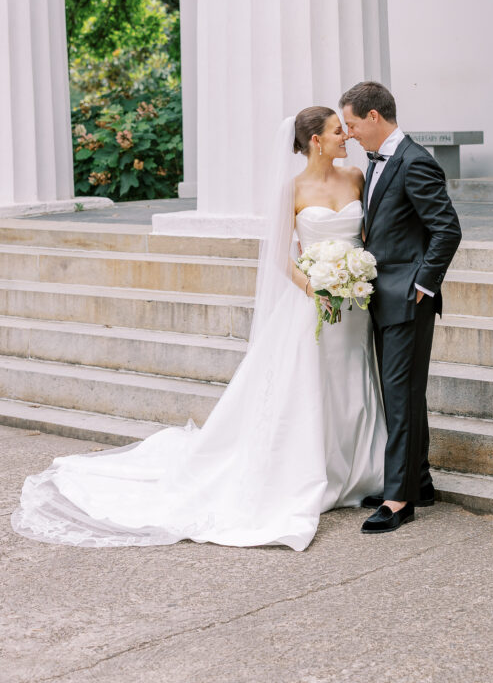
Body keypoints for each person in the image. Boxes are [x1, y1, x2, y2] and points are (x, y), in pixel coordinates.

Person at [11, 108, 386, 551]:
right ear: (314, 142)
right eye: (336, 130)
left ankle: (362, 472)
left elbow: (365, 235)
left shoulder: (356, 177)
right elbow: (277, 253)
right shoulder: (293, 189)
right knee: (314, 385)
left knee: (353, 379)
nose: (345, 135)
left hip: (356, 301)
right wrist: (313, 287)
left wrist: (355, 275)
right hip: (314, 302)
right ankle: (315, 471)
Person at [340, 81, 462, 534]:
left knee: (400, 395)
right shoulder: (376, 162)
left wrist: (422, 285)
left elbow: (447, 230)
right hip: (381, 295)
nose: (349, 133)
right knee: (402, 395)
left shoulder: (415, 162)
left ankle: (398, 500)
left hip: (407, 299)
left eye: (352, 123)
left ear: (374, 117)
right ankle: (419, 482)